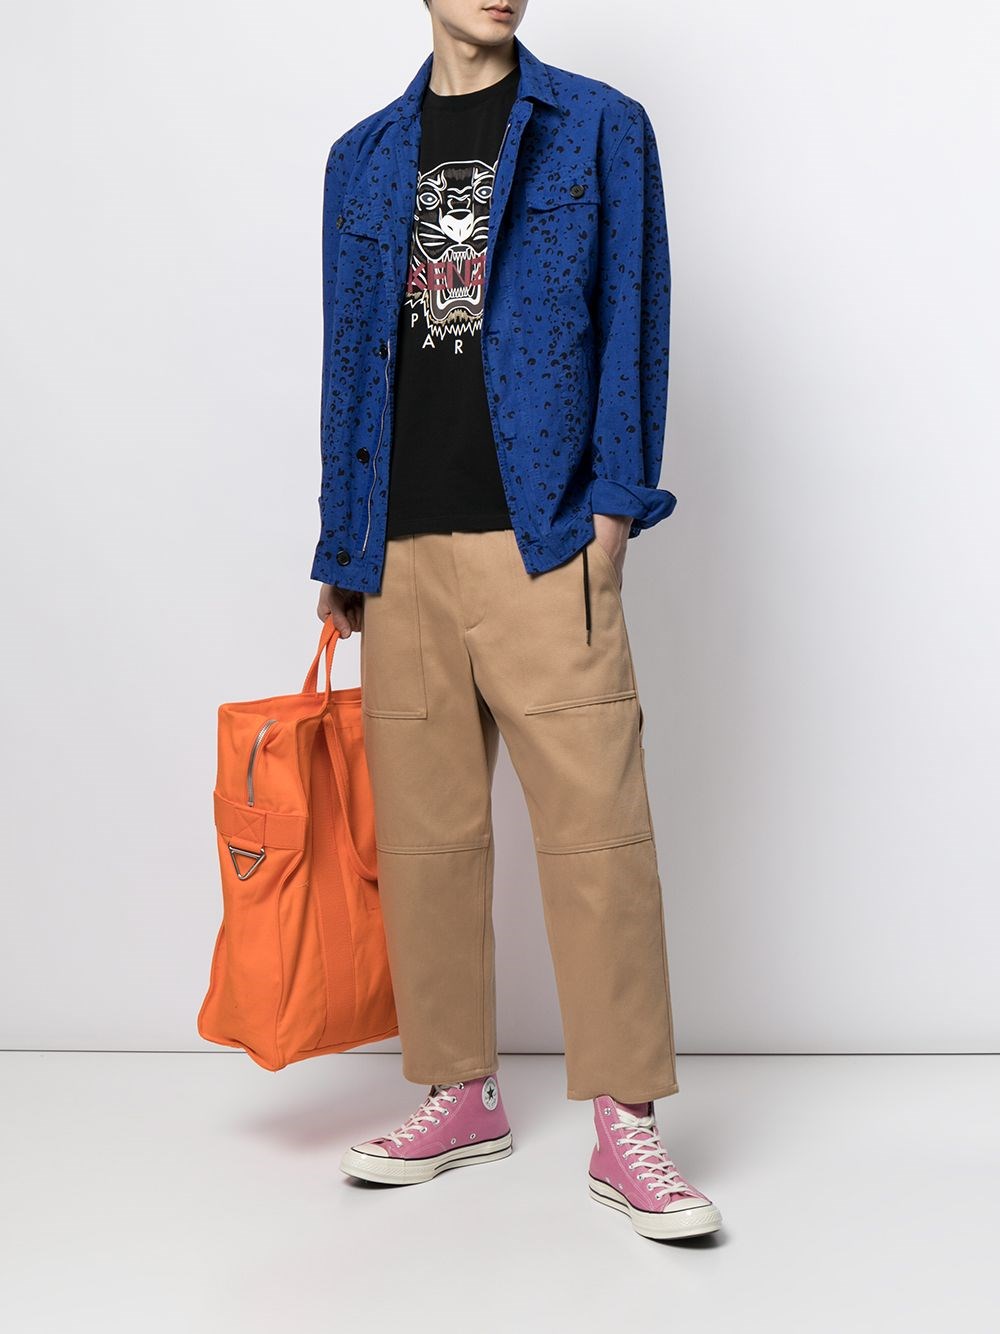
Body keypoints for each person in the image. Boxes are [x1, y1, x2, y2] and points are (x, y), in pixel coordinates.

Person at [313, 0, 722, 1242]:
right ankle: (460, 1093)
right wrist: (342, 539)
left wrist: (614, 507)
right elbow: (347, 355)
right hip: (398, 546)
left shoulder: (597, 127)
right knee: (427, 844)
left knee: (599, 839)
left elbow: (634, 315)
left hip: (545, 538)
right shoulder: (361, 158)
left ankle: (625, 1121)